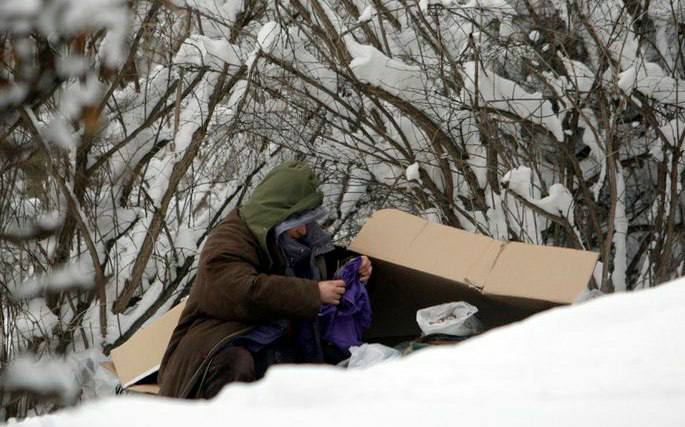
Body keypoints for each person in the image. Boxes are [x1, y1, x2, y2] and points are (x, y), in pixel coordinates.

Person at [158, 161, 372, 399]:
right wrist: (313, 293)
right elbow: (243, 291)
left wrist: (351, 267)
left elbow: (317, 262)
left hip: (273, 345)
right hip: (217, 349)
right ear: (277, 216)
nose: (303, 231)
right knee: (236, 363)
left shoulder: (285, 237)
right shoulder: (227, 241)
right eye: (297, 222)